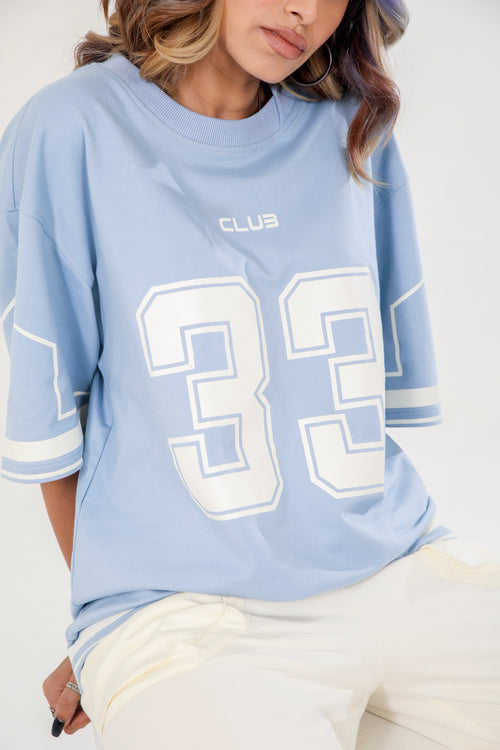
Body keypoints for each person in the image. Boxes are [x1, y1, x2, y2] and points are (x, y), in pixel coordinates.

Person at [0, 0, 499, 747]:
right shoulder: (70, 130)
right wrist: (114, 622)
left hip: (398, 566)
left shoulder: (355, 123)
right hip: (186, 611)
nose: (305, 11)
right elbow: (53, 421)